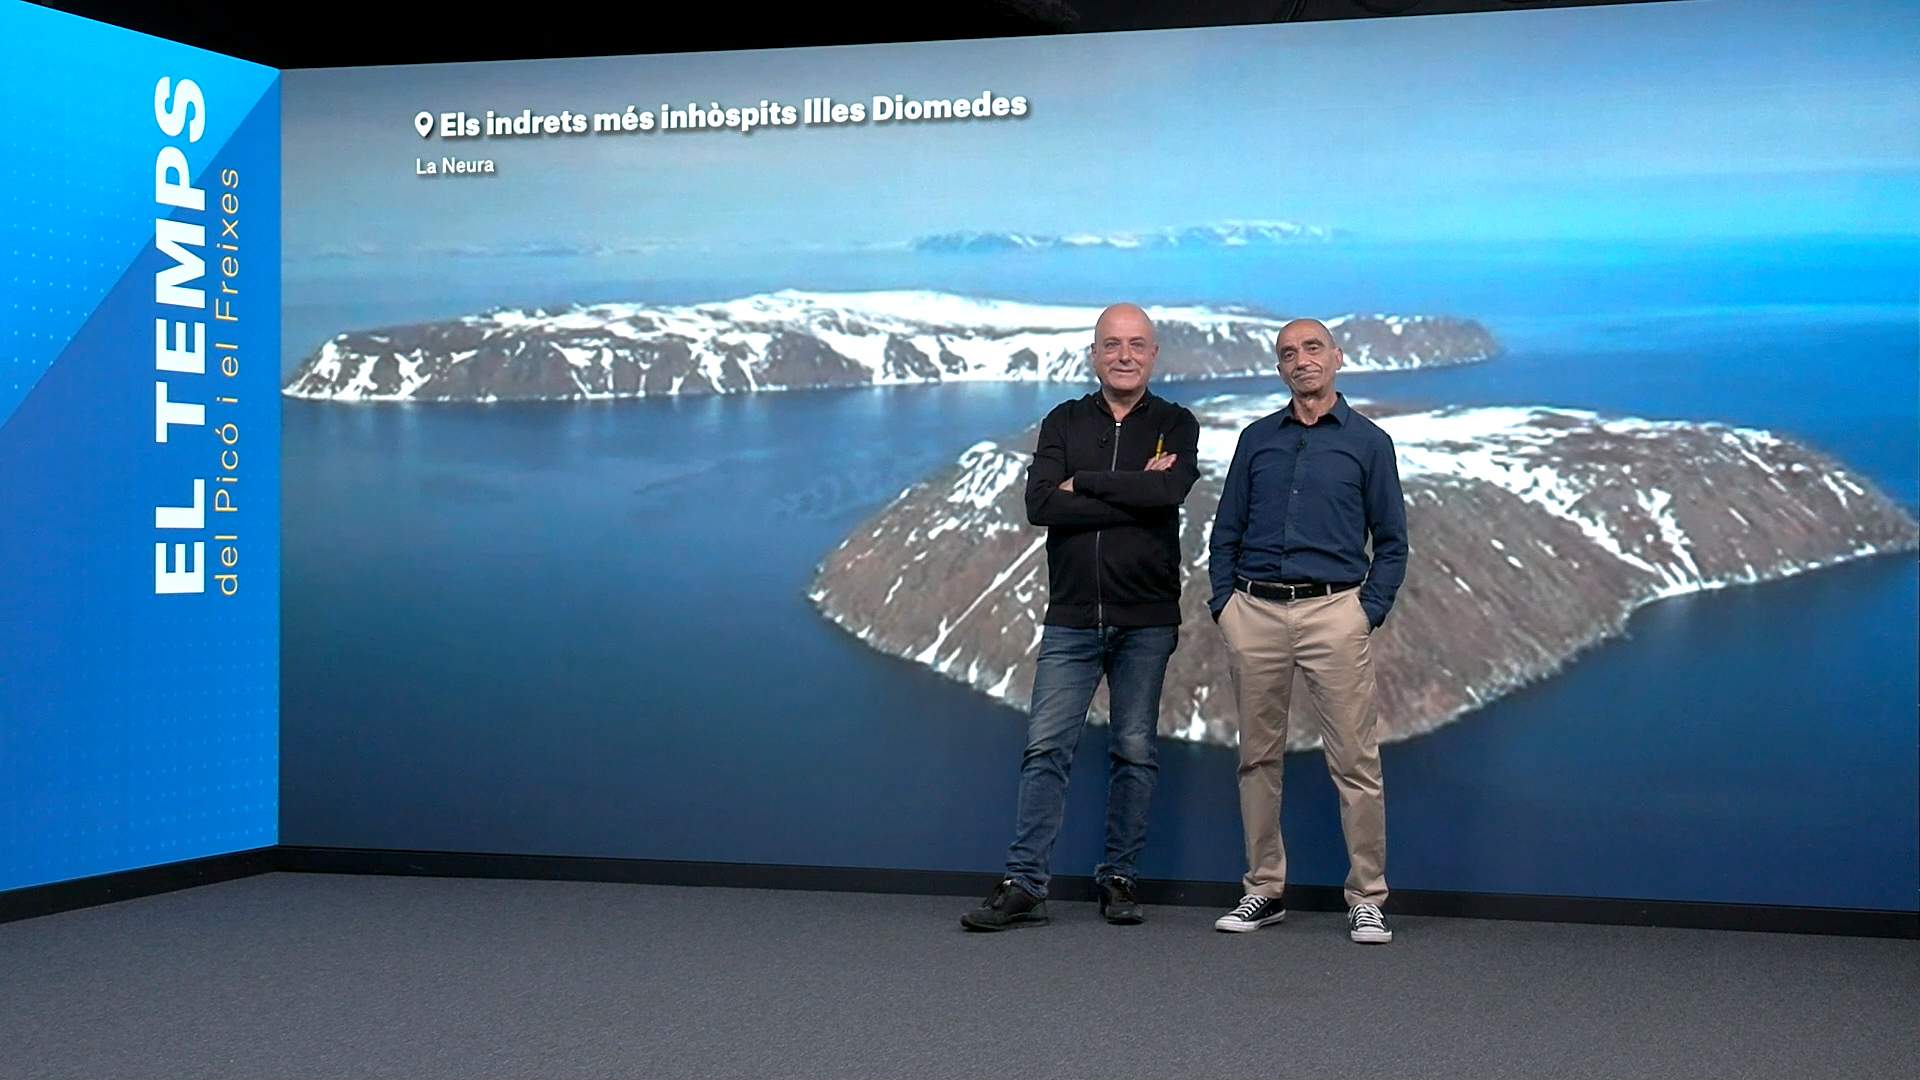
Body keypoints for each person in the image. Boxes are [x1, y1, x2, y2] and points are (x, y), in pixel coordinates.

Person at [961, 303, 1201, 931]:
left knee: (1134, 750)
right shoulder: (1063, 420)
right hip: (1070, 616)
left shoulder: (1177, 423)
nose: (1125, 355)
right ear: (1094, 354)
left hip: (1146, 617)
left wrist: (1083, 485)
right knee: (1046, 749)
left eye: (1137, 345)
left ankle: (1119, 880)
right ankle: (1025, 885)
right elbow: (1040, 504)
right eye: (1112, 345)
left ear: (1153, 355)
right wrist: (1127, 487)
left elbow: (1167, 495)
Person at [1207, 317, 1408, 944]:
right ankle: (1263, 890)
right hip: (1255, 614)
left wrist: (1363, 612)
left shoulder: (1369, 443)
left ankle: (1367, 897)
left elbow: (1393, 544)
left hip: (1334, 614)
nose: (1301, 361)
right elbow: (1226, 532)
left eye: (1312, 348)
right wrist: (1225, 607)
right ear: (1279, 369)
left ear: (1338, 358)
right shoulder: (1256, 440)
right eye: (1288, 353)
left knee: (1355, 761)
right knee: (1257, 758)